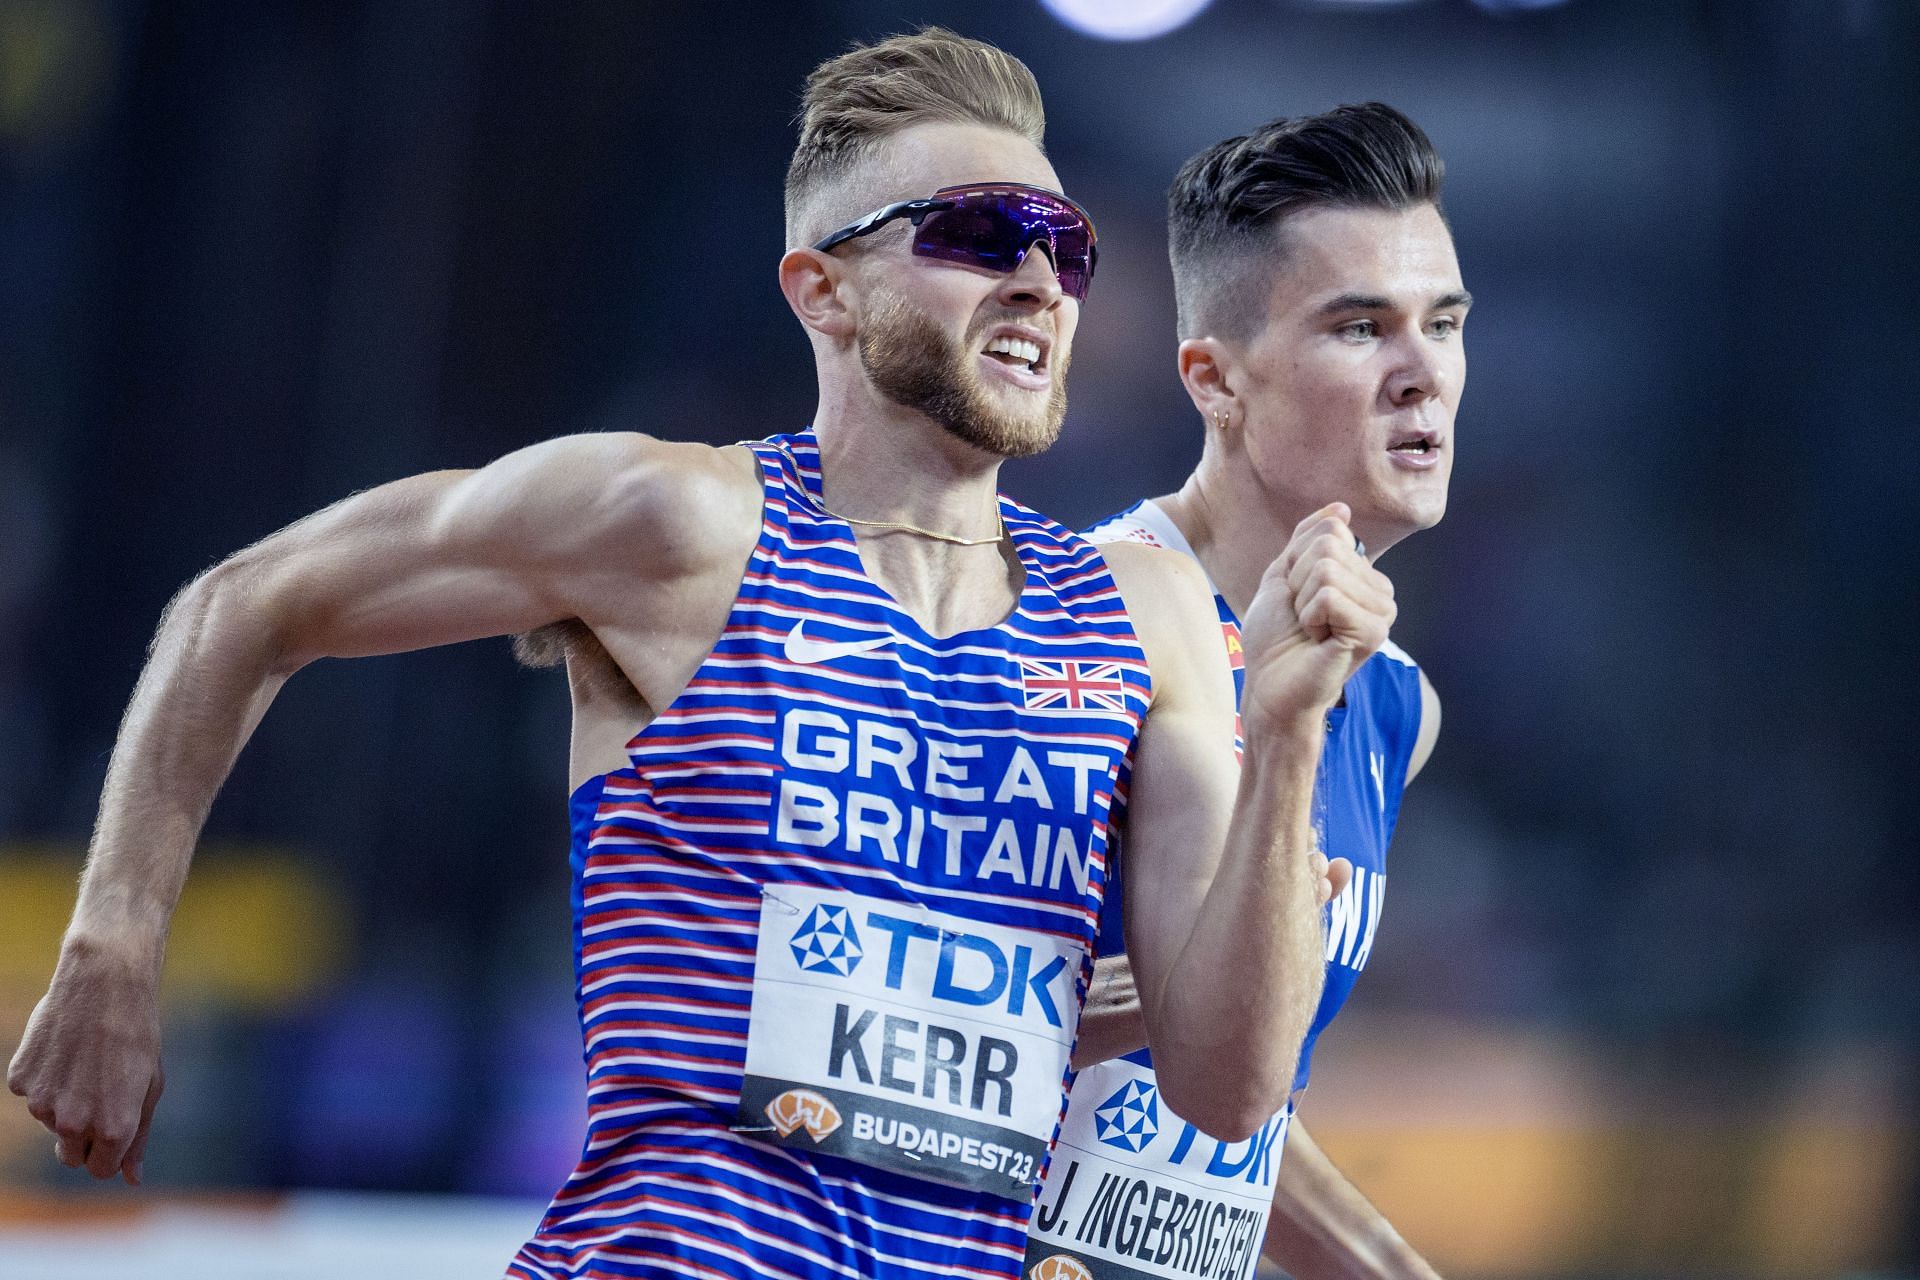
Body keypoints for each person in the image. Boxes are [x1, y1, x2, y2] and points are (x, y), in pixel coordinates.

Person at [5, 30, 1394, 1280]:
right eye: (981, 231)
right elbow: (246, 603)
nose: (1038, 277)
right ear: (824, 290)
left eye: (1068, 247)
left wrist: (1283, 740)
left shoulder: (1142, 613)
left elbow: (1223, 1089)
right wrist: (116, 946)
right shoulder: (684, 527)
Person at [1022, 104, 1464, 1280]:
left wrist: (1382, 1262)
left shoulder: (1393, 705)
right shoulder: (1068, 624)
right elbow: (893, 1002)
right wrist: (1185, 987)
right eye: (1361, 326)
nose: (1423, 373)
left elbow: (1241, 1093)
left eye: (1445, 322)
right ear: (1215, 381)